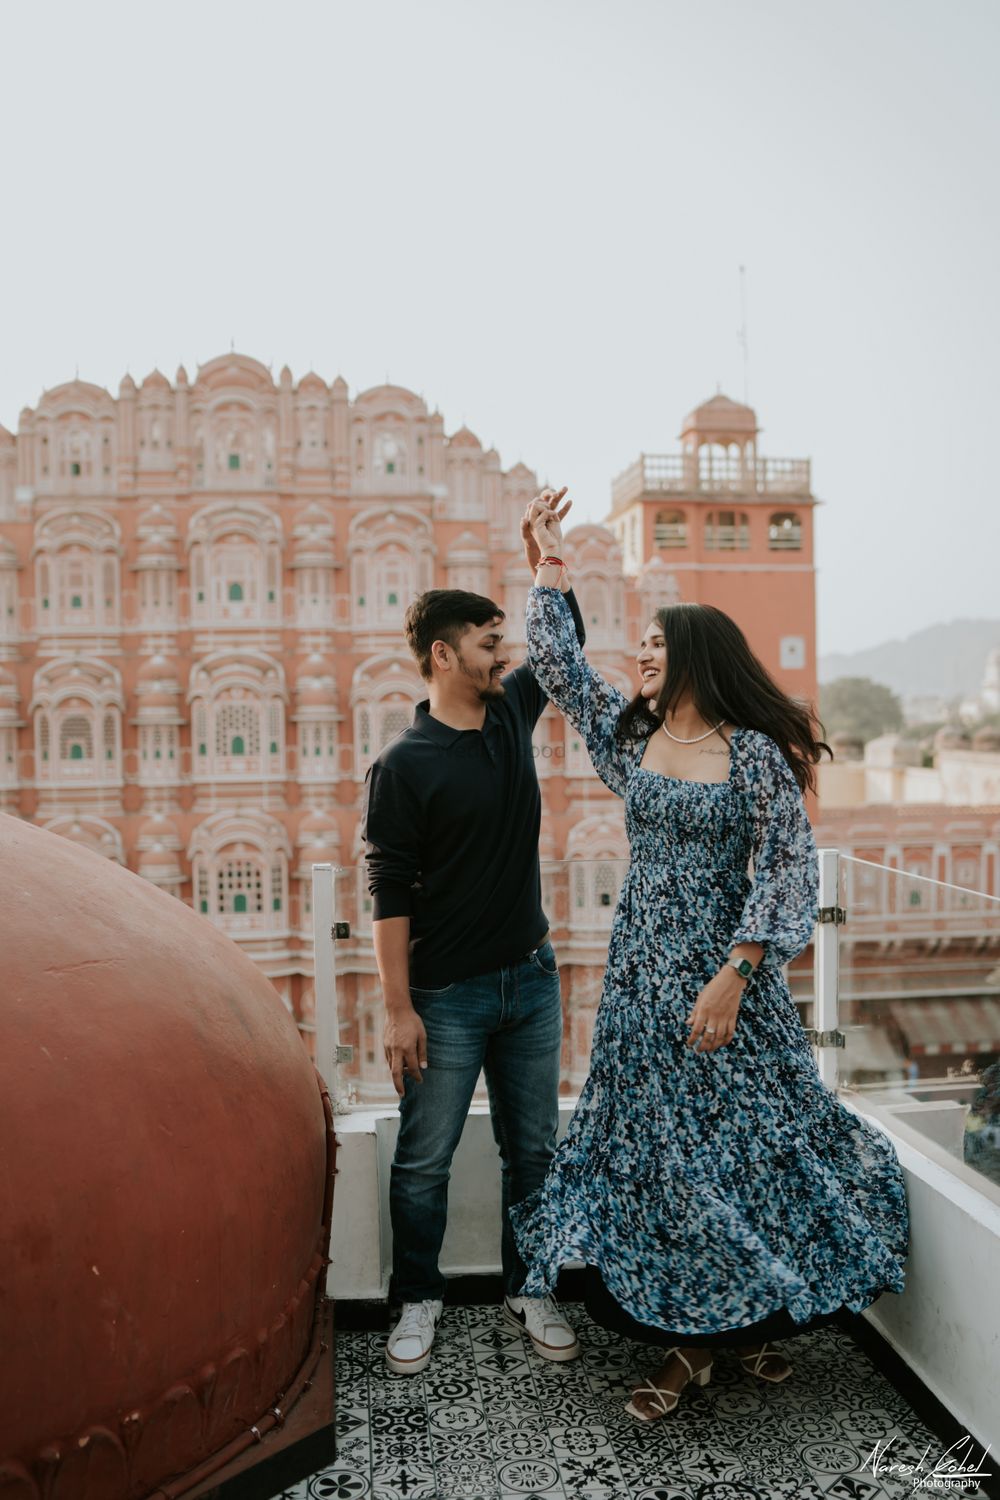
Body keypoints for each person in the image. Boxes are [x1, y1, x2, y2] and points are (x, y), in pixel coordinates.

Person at [508, 490, 910, 1423]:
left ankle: (746, 1321)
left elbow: (786, 864)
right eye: (640, 646)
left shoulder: (757, 755)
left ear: (694, 656)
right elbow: (561, 670)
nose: (641, 656)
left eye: (655, 645)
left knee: (752, 1148)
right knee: (667, 1156)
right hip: (642, 980)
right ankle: (697, 1339)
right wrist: (549, 563)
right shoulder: (633, 744)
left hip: (729, 983)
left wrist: (734, 974)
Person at [361, 503, 586, 1376]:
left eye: (506, 642)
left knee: (532, 1150)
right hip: (445, 996)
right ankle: (417, 1299)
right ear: (444, 656)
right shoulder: (404, 765)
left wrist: (546, 563)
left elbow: (560, 647)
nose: (507, 657)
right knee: (425, 1160)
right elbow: (387, 892)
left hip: (530, 982)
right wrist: (395, 1010)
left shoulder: (509, 717)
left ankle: (533, 1287)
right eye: (490, 645)